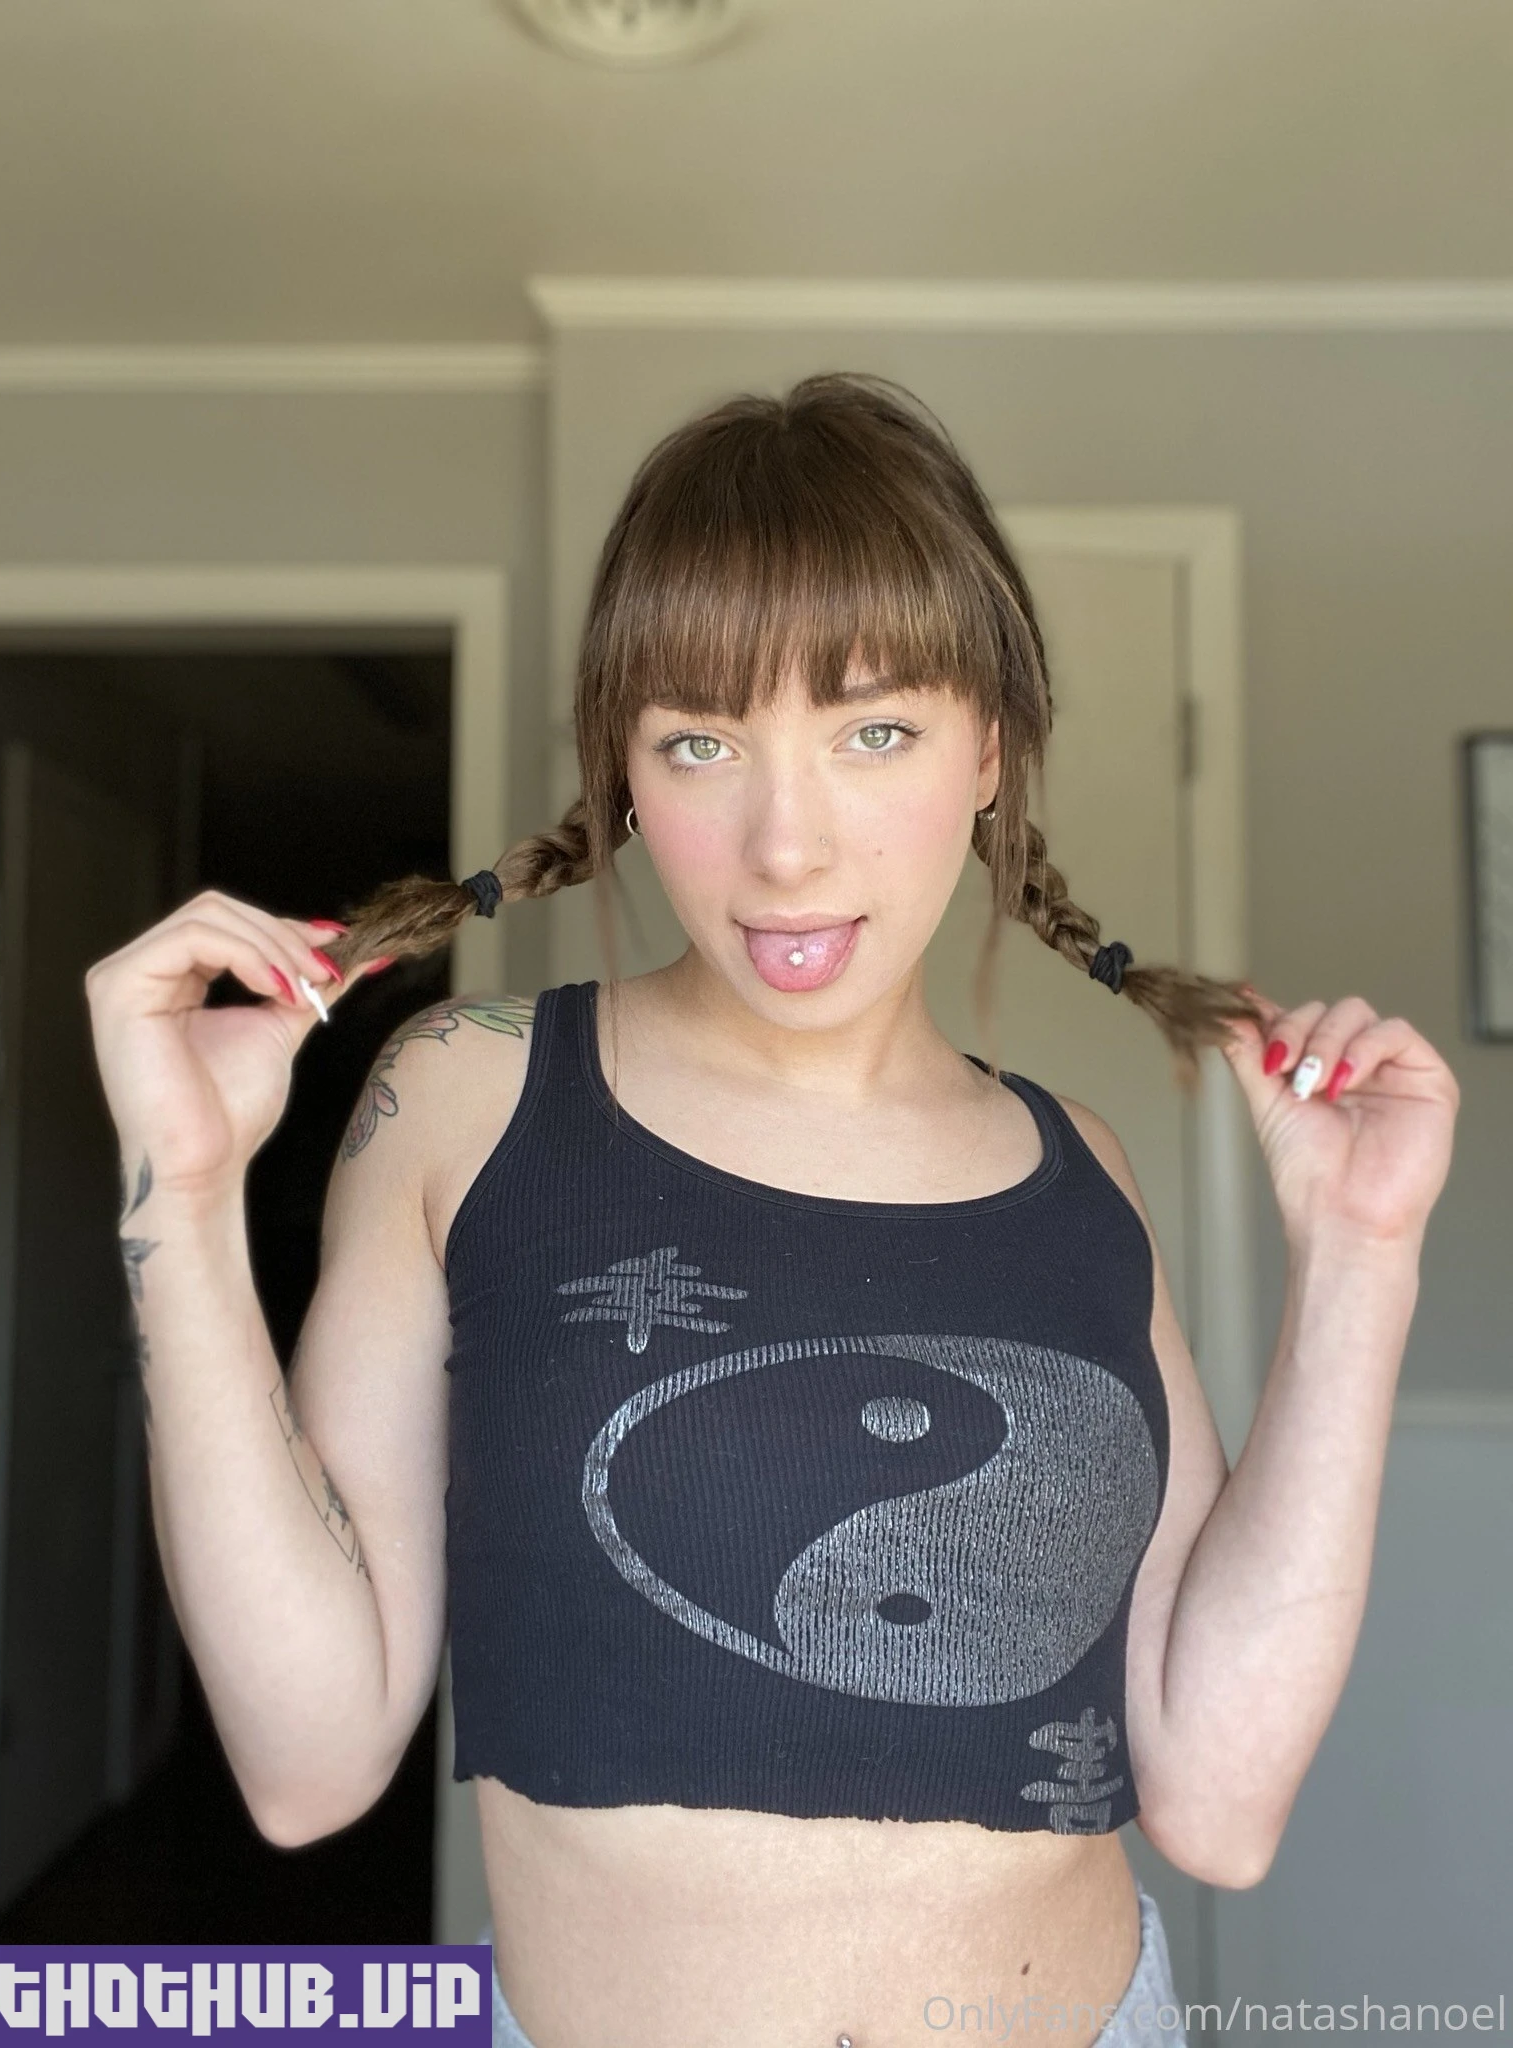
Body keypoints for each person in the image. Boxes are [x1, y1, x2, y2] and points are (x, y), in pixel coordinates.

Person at [86, 374, 1458, 2048]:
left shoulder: (1078, 1173)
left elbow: (1219, 1802)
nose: (785, 846)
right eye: (701, 742)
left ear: (989, 749)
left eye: (874, 733)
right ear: (624, 769)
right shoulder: (472, 1098)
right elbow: (308, 1766)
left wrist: (1364, 1256)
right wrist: (183, 1196)